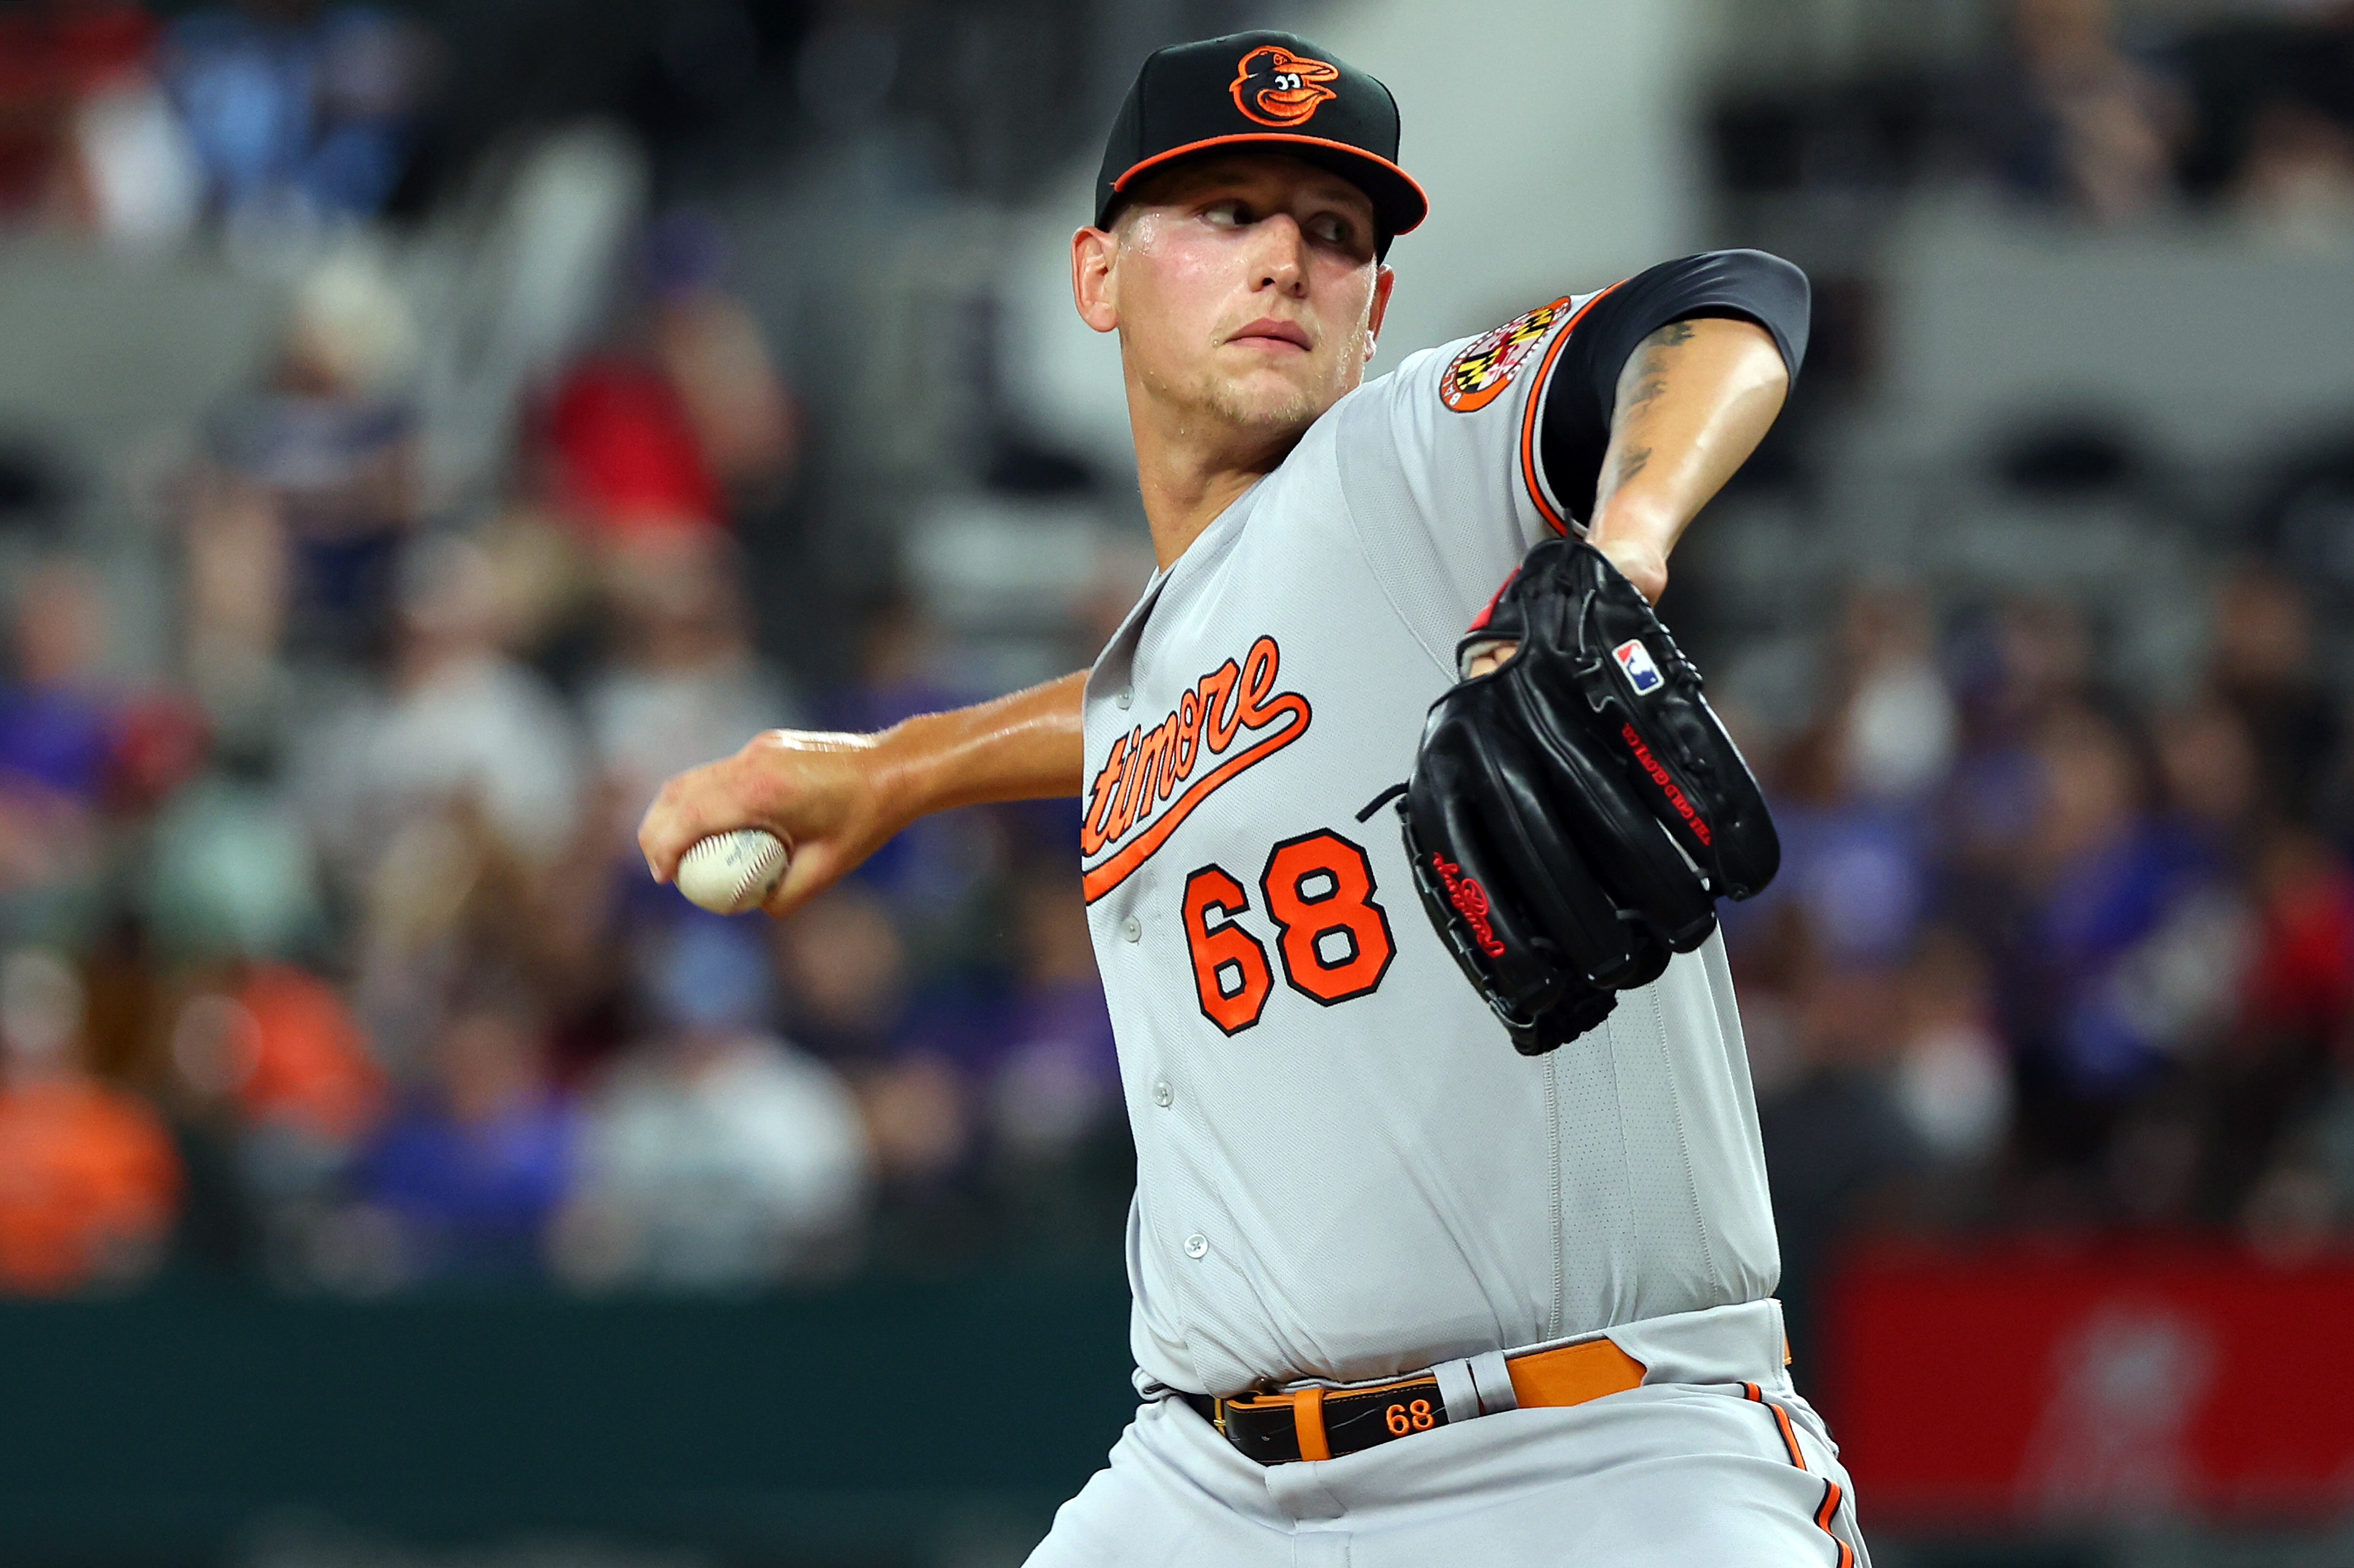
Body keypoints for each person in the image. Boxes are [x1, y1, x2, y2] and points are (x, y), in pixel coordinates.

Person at [640, 30, 1859, 1568]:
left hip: (1587, 1456)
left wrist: (1621, 539)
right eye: (1224, 215)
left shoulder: (1412, 462)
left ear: (1377, 308)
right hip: (1212, 1487)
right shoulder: (1178, 651)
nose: (1285, 258)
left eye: (1334, 234)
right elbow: (1138, 714)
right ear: (1097, 276)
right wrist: (896, 770)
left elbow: (1730, 303)